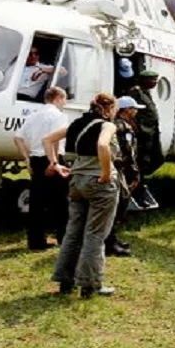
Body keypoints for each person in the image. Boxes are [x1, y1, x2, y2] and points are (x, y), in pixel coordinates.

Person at [44, 93, 122, 298]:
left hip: (76, 182)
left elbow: (48, 139)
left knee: (73, 232)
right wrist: (105, 174)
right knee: (95, 234)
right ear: (108, 108)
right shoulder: (107, 126)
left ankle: (65, 280)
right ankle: (90, 284)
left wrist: (54, 164)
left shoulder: (76, 124)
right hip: (98, 184)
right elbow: (103, 146)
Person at [12, 86, 69, 250]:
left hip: (36, 159)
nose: (64, 103)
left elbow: (18, 138)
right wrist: (54, 162)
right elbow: (53, 140)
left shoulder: (32, 116)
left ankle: (36, 241)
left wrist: (27, 158)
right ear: (58, 98)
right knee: (61, 201)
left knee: (37, 202)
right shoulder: (59, 116)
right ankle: (63, 237)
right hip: (52, 158)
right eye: (64, 99)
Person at [106, 96, 144, 257]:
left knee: (115, 205)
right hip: (121, 170)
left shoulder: (113, 125)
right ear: (127, 110)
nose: (135, 112)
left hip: (114, 168)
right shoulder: (124, 127)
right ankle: (109, 243)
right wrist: (135, 174)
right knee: (119, 204)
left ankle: (111, 239)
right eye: (134, 108)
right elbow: (129, 153)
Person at [123, 68, 164, 207]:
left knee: (156, 159)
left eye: (156, 80)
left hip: (150, 133)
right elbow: (130, 112)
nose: (155, 83)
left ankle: (139, 186)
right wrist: (136, 129)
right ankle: (136, 192)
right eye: (152, 80)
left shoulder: (145, 92)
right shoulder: (136, 91)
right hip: (143, 134)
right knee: (140, 163)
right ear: (144, 80)